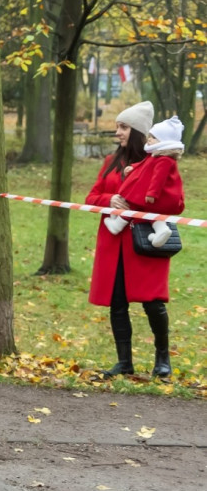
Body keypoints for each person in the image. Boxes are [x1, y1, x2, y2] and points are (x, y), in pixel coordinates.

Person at [86, 102, 183, 379]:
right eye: (117, 126)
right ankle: (124, 362)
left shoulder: (162, 163)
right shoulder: (110, 163)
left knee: (152, 302)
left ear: (140, 132)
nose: (118, 132)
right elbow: (91, 197)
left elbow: (175, 203)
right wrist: (110, 199)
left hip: (145, 242)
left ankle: (162, 359)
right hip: (112, 242)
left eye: (124, 127)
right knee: (118, 302)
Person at [103, 115, 185, 248]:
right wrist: (133, 168)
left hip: (158, 195)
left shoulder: (164, 160)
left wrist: (152, 194)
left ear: (163, 141)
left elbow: (159, 178)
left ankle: (117, 224)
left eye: (153, 138)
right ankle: (161, 229)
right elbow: (144, 165)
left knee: (134, 205)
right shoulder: (155, 156)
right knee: (146, 210)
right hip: (157, 195)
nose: (149, 140)